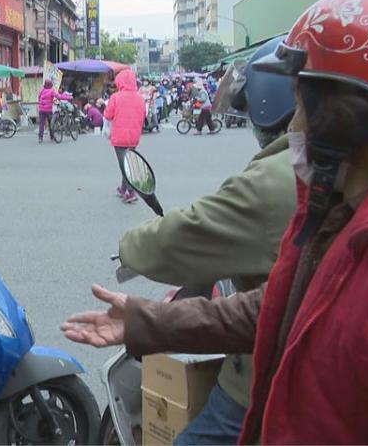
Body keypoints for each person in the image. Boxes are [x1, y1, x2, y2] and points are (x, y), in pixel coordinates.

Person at [62, 0, 368, 444]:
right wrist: (145, 322)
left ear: (345, 116)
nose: (294, 127)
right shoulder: (351, 208)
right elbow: (278, 306)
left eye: (302, 105)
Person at [113, 36, 297, 445]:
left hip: (272, 379)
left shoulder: (281, 176)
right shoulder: (347, 164)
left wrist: (129, 247)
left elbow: (193, 231)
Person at [104, 69, 146, 204]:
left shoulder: (116, 97)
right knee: (128, 161)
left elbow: (108, 115)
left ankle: (131, 191)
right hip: (134, 136)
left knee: (124, 164)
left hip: (119, 136)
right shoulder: (140, 97)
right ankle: (123, 188)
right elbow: (144, 115)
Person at [37, 79, 71, 143]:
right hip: (48, 110)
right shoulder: (52, 91)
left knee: (41, 124)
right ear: (51, 84)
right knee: (50, 123)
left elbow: (39, 97)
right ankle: (52, 137)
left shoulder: (42, 90)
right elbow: (59, 96)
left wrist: (41, 103)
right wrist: (68, 97)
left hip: (41, 109)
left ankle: (40, 138)